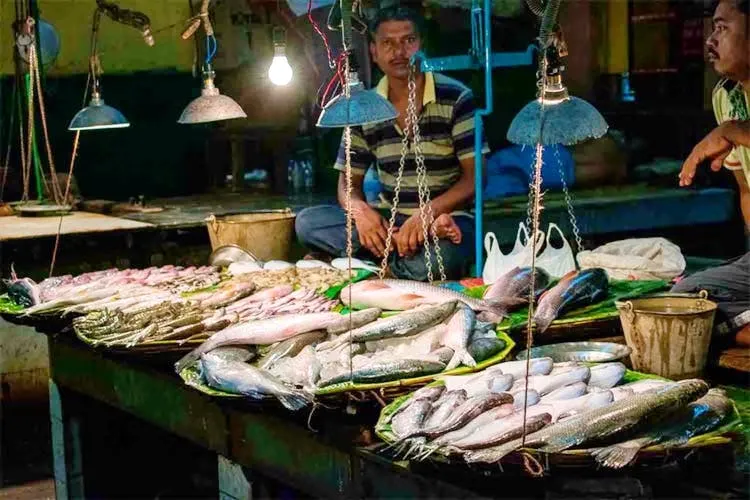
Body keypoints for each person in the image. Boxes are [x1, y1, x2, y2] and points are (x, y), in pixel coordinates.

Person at [295, 6, 488, 281]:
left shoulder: (456, 97)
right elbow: (348, 183)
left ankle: (369, 266)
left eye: (408, 41)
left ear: (421, 45)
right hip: (391, 221)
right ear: (373, 51)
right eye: (388, 43)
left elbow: (475, 179)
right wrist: (361, 213)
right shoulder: (364, 106)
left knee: (441, 259)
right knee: (308, 223)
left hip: (449, 219)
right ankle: (396, 259)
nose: (398, 52)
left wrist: (427, 215)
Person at [675, 0, 750, 343]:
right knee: (681, 302)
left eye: (722, 28)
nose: (710, 39)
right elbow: (746, 188)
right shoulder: (727, 97)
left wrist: (733, 132)